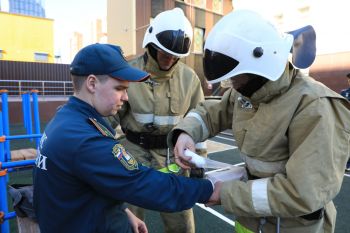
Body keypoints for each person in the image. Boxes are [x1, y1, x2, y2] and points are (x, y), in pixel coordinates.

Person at [168, 10, 350, 233]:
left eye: (235, 76)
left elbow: (302, 192)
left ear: (260, 69)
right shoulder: (248, 90)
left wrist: (224, 193)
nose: (232, 84)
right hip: (251, 219)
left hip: (291, 226)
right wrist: (186, 133)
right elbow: (212, 112)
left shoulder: (315, 106)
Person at [32, 43, 220, 233]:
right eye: (119, 88)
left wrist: (122, 211)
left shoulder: (68, 119)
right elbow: (143, 184)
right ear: (92, 83)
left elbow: (89, 184)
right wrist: (208, 189)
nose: (126, 97)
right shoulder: (86, 141)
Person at [107, 8, 206, 233]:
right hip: (132, 157)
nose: (169, 60)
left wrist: (199, 163)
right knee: (127, 222)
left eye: (175, 56)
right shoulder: (128, 73)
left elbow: (198, 121)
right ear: (151, 45)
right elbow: (108, 117)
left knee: (182, 224)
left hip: (174, 159)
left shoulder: (189, 78)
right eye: (164, 53)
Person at [340, 73, 350, 171]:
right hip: (346, 121)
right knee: (345, 141)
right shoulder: (344, 92)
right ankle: (346, 163)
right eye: (348, 79)